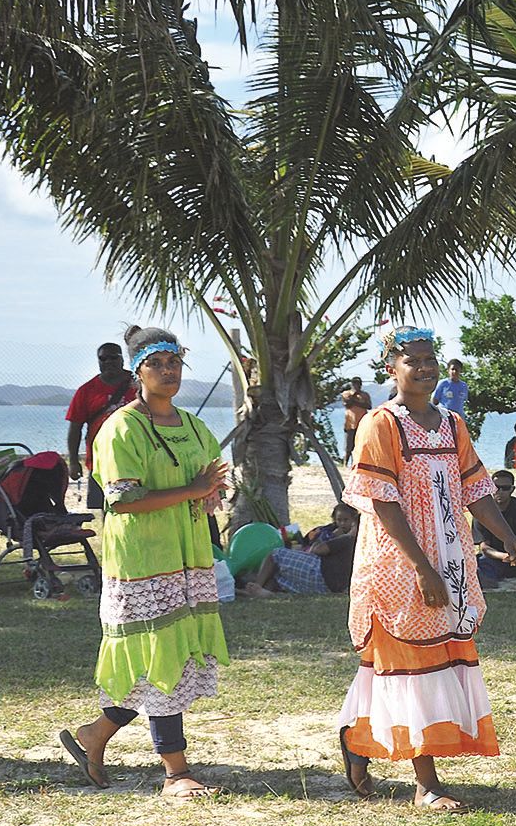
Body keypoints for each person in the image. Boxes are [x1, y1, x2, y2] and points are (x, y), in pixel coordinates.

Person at [336, 324, 516, 811]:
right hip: (401, 561)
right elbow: (383, 504)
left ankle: (359, 740)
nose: (423, 369)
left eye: (429, 360)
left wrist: (506, 537)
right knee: (408, 659)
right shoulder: (381, 425)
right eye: (412, 361)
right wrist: (421, 568)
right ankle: (427, 782)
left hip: (451, 557)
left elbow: (476, 490)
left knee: (427, 658)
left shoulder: (452, 424)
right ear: (390, 368)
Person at [58, 326, 229, 800]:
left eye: (175, 362)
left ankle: (95, 735)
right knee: (160, 657)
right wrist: (193, 490)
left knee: (163, 657)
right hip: (142, 561)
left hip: (186, 555)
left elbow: (213, 471)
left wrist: (213, 488)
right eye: (157, 363)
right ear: (138, 370)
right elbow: (125, 500)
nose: (168, 371)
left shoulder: (193, 426)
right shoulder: (120, 428)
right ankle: (175, 771)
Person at [65, 342, 138, 510]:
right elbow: (75, 428)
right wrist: (74, 462)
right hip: (101, 461)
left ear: (122, 359)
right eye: (103, 358)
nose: (108, 362)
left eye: (113, 357)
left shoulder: (139, 384)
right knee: (108, 508)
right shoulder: (86, 391)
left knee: (138, 505)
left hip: (136, 457)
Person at [242, 502, 360, 597]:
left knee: (276, 554)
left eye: (347, 521)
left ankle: (256, 586)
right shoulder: (333, 532)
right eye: (339, 520)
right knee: (277, 571)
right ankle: (263, 592)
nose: (343, 524)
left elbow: (319, 550)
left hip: (320, 574)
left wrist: (339, 536)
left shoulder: (348, 539)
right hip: (330, 586)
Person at [340, 378, 371, 463]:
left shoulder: (365, 395)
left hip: (362, 423)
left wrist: (356, 401)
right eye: (355, 384)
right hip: (350, 424)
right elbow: (347, 404)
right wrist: (353, 396)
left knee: (360, 445)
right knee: (348, 446)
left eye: (358, 384)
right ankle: (345, 463)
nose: (357, 386)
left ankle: (356, 463)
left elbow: (368, 406)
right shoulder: (346, 394)